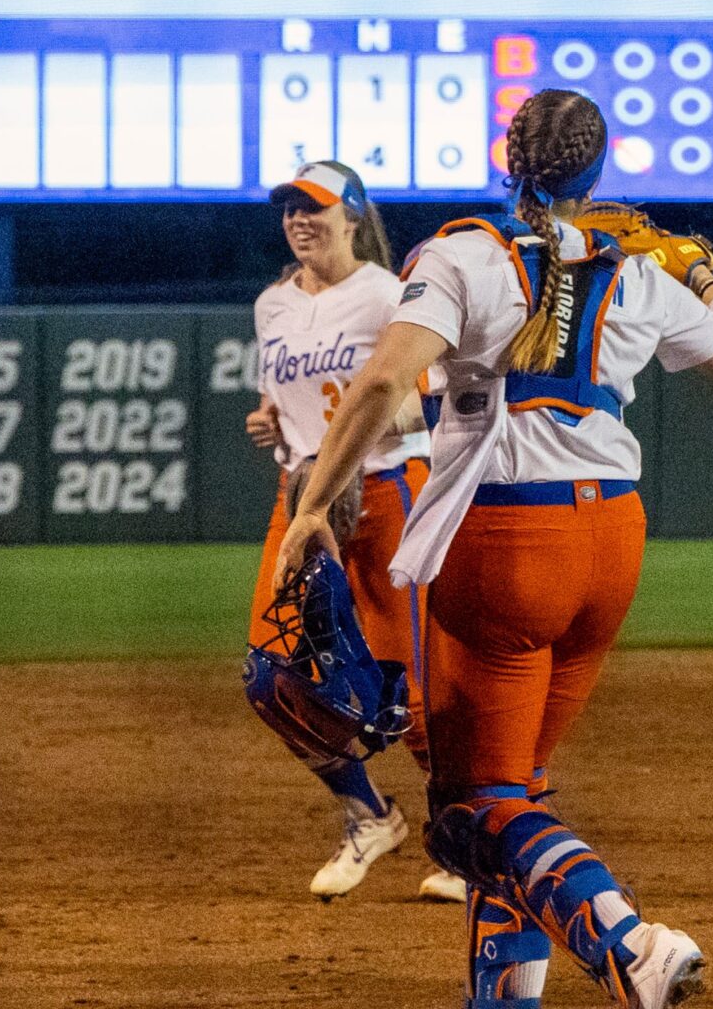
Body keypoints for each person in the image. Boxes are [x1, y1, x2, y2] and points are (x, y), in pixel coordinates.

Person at [275, 89, 713, 1009]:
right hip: (611, 543)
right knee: (515, 796)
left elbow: (387, 376)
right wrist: (702, 275)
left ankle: (629, 943)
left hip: (504, 540)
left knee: (473, 805)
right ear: (599, 172)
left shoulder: (464, 252)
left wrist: (312, 509)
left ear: (510, 158)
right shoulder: (638, 270)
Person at [244, 160, 464, 904]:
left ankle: (465, 841)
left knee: (410, 687)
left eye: (313, 208)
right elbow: (285, 399)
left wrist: (369, 421)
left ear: (352, 216)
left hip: (385, 492)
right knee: (272, 675)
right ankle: (368, 814)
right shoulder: (271, 304)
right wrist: (274, 423)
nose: (298, 221)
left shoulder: (387, 292)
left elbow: (429, 392)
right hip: (303, 498)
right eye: (288, 210)